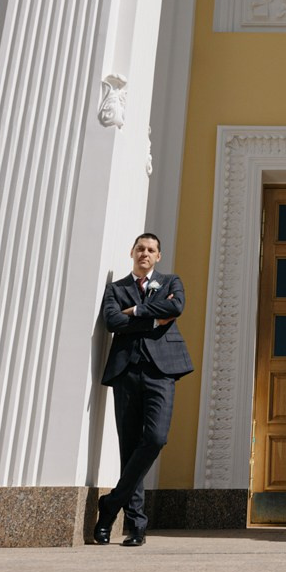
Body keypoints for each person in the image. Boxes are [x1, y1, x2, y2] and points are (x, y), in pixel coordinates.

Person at [93, 232, 193, 547]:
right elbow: (112, 322)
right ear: (131, 253)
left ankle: (109, 505)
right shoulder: (116, 288)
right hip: (125, 372)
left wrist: (135, 313)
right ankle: (136, 526)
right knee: (130, 447)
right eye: (140, 249)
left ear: (158, 256)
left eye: (151, 250)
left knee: (155, 438)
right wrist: (153, 318)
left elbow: (176, 308)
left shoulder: (171, 282)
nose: (144, 254)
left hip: (161, 371)